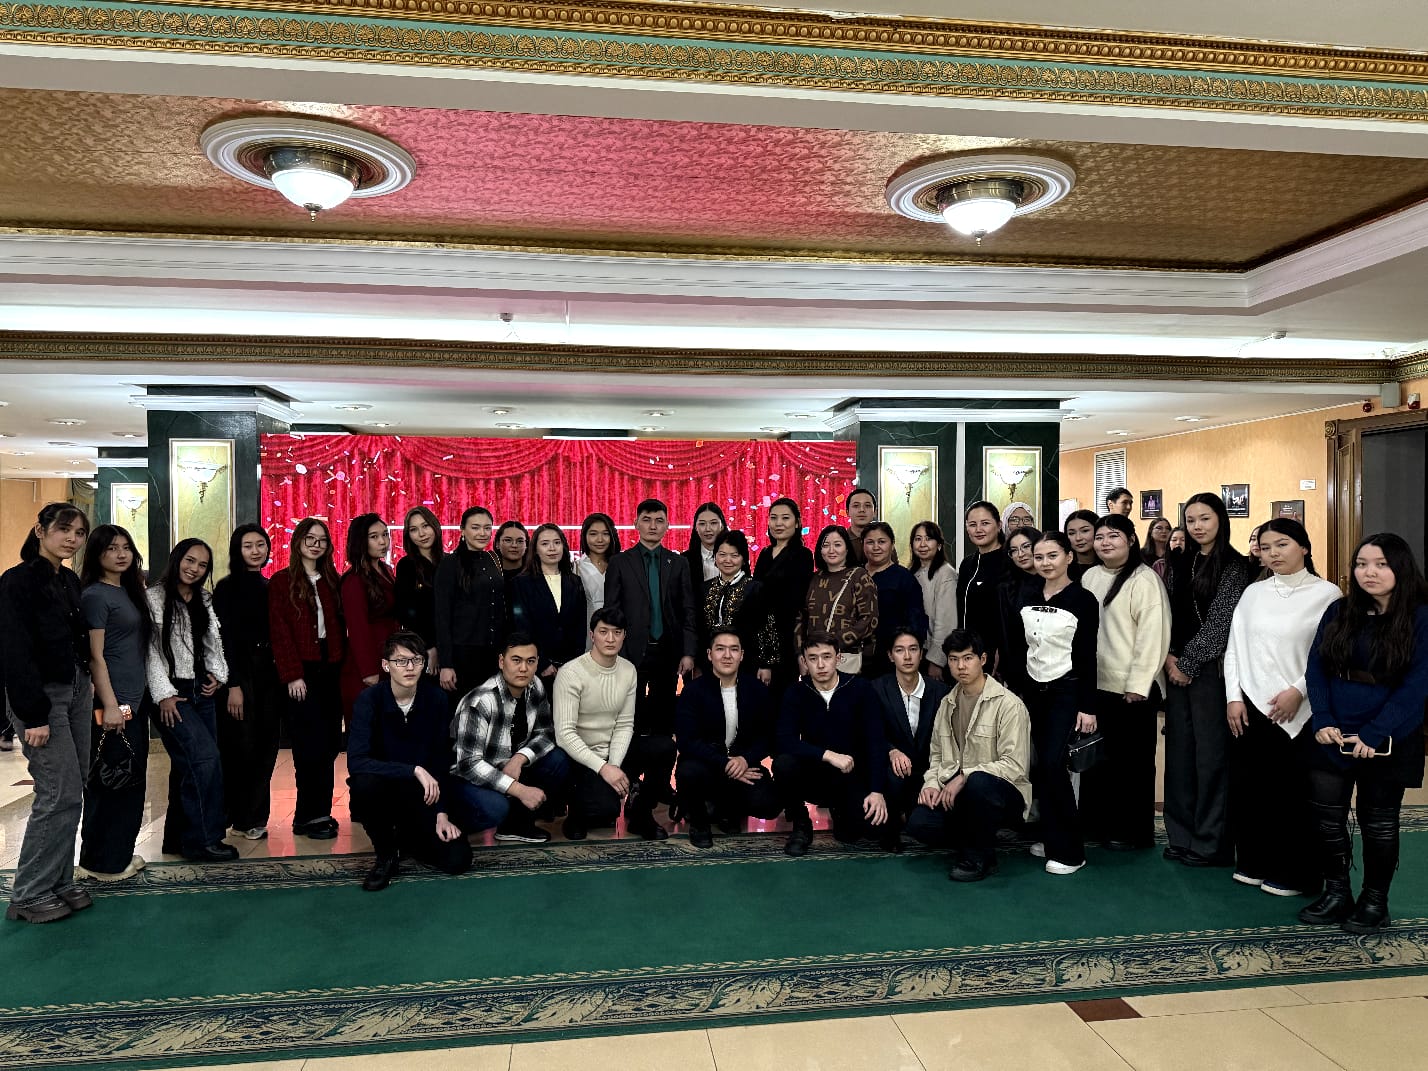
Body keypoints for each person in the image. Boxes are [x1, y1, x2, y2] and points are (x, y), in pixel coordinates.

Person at [1300, 533, 1428, 933]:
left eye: (1381, 564)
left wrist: (1376, 732)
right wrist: (1322, 718)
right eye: (1361, 564)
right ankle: (1337, 893)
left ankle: (1375, 902)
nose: (1368, 572)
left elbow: (1417, 685)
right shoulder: (1340, 610)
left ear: (1401, 568)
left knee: (1379, 824)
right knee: (1326, 820)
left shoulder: (1420, 617)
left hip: (1390, 736)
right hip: (1333, 730)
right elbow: (1316, 667)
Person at [1224, 518, 1342, 896]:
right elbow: (1234, 648)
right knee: (1250, 789)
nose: (1273, 553)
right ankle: (1253, 862)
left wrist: (1298, 691)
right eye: (1266, 547)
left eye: (1282, 545)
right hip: (1250, 704)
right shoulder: (1253, 593)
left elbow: (1329, 655)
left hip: (1299, 708)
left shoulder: (1327, 594)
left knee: (1291, 793)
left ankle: (1294, 873)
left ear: (1304, 547)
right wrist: (1233, 697)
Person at [2, 504, 92, 924]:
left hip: (77, 689)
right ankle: (28, 893)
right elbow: (14, 651)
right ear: (40, 530)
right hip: (43, 697)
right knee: (57, 791)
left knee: (73, 788)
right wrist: (33, 714)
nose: (72, 538)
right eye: (64, 529)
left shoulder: (68, 579)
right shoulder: (17, 580)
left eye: (79, 532)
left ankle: (57, 880)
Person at [1163, 492, 1251, 868]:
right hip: (1174, 666)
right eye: (1191, 520)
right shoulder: (1180, 561)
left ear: (1221, 520)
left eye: (1205, 519)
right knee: (1179, 756)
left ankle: (1210, 842)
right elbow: (1168, 613)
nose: (1197, 527)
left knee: (1211, 758)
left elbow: (1221, 623)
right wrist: (1168, 655)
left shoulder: (1235, 565)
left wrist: (1188, 662)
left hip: (1211, 672)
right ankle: (1180, 835)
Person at [1003, 531, 1099, 876]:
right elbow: (1018, 647)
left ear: (1069, 557)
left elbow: (1087, 655)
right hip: (1033, 691)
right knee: (1040, 766)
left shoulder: (1083, 599)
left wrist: (1087, 706)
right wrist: (1015, 689)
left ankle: (1071, 851)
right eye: (1039, 556)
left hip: (1066, 691)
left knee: (1053, 766)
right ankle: (1051, 836)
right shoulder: (1027, 593)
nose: (1045, 563)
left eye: (1052, 555)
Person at [347, 631, 472, 891]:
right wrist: (413, 770)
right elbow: (357, 762)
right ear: (386, 665)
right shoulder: (369, 700)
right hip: (382, 792)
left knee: (458, 860)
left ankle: (409, 838)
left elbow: (441, 759)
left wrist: (442, 814)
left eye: (416, 660)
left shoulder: (436, 699)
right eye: (401, 661)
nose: (410, 667)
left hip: (423, 795)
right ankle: (386, 855)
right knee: (363, 784)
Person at [904, 629, 1032, 882]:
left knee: (978, 782)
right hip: (960, 795)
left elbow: (1014, 765)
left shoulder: (1009, 704)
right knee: (919, 823)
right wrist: (932, 784)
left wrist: (964, 777)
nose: (960, 666)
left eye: (968, 658)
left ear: (982, 659)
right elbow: (937, 755)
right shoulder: (947, 703)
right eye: (954, 659)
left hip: (1004, 794)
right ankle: (979, 838)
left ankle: (977, 857)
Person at [1078, 515, 1172, 852]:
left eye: (1113, 536)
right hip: (1097, 685)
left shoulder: (1144, 580)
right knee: (1098, 762)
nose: (1105, 543)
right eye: (1100, 537)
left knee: (1132, 765)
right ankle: (1097, 826)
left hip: (1132, 690)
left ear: (1131, 540)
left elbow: (1153, 636)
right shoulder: (1090, 576)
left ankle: (1133, 832)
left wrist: (1138, 684)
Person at [602, 498, 696, 826]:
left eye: (659, 520)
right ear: (636, 524)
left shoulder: (677, 563)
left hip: (667, 652)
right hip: (631, 653)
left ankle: (659, 783)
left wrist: (688, 651)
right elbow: (612, 610)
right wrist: (613, 651)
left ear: (667, 524)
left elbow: (687, 609)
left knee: (663, 719)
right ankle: (633, 782)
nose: (653, 525)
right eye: (647, 519)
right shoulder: (620, 562)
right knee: (632, 719)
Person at [146, 538, 235, 863]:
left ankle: (176, 839)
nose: (195, 568)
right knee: (204, 759)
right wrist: (164, 694)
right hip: (172, 693)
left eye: (202, 565)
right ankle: (204, 841)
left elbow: (213, 641)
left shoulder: (203, 598)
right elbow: (150, 652)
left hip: (201, 690)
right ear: (177, 559)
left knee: (189, 766)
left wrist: (218, 675)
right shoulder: (153, 598)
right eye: (190, 560)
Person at [75, 524, 151, 882]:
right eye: (111, 548)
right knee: (111, 782)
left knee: (128, 781)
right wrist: (108, 704)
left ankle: (116, 854)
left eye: (126, 547)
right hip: (114, 701)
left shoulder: (128, 591)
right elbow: (96, 657)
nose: (121, 554)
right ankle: (100, 862)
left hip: (133, 700)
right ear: (96, 554)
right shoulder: (95, 595)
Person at [449, 632, 573, 844]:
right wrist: (520, 790)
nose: (523, 668)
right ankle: (451, 824)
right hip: (471, 778)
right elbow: (468, 764)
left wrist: (519, 758)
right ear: (501, 661)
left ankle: (515, 825)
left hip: (510, 766)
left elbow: (545, 733)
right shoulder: (480, 701)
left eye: (530, 661)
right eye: (516, 660)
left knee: (558, 760)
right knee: (495, 808)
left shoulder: (535, 686)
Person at [773, 631, 888, 856]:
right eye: (813, 658)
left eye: (827, 656)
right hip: (814, 773)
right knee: (783, 763)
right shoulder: (796, 692)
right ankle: (801, 823)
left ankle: (841, 811)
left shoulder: (861, 688)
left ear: (839, 658)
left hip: (851, 774)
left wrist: (877, 790)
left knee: (864, 833)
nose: (820, 664)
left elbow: (876, 741)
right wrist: (827, 754)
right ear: (804, 661)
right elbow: (784, 740)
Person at [268, 517, 347, 840]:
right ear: (298, 541)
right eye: (310, 538)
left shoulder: (332, 580)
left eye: (322, 540)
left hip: (331, 669)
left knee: (329, 744)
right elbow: (279, 631)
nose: (316, 544)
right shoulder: (281, 581)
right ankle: (307, 816)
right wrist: (292, 675)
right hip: (302, 672)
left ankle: (321, 812)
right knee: (307, 746)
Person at [674, 628, 782, 847]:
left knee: (768, 804)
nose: (727, 655)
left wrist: (745, 760)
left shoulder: (756, 689)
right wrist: (724, 763)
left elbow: (769, 736)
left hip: (743, 764)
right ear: (709, 654)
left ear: (742, 655)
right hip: (706, 765)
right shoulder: (693, 691)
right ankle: (699, 821)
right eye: (720, 649)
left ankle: (726, 809)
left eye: (734, 650)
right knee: (688, 772)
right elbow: (687, 741)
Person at [213, 524, 282, 842]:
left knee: (267, 745)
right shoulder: (227, 588)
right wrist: (233, 685)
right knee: (242, 747)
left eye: (260, 545)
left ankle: (255, 817)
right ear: (236, 550)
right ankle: (239, 817)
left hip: (269, 673)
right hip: (241, 673)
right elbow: (224, 640)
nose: (256, 551)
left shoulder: (270, 585)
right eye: (247, 545)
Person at [551, 607, 645, 839]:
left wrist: (614, 766)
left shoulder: (628, 670)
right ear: (592, 635)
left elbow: (625, 724)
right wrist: (603, 768)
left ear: (624, 636)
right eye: (603, 632)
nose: (610, 639)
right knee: (605, 809)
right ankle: (576, 811)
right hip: (578, 756)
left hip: (611, 752)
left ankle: (640, 810)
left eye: (617, 632)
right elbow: (564, 734)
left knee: (662, 748)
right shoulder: (571, 672)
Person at [870, 628, 950, 851]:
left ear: (921, 654)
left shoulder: (941, 692)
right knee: (892, 772)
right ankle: (891, 828)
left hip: (928, 770)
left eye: (913, 649)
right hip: (892, 770)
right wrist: (891, 750)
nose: (907, 656)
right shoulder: (876, 689)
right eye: (899, 650)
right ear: (890, 655)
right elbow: (870, 733)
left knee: (929, 829)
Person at [433, 506, 506, 705]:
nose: (482, 533)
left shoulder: (493, 558)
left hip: (493, 652)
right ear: (462, 530)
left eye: (487, 528)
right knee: (465, 712)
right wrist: (446, 663)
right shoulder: (450, 563)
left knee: (491, 710)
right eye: (475, 527)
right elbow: (442, 615)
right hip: (463, 654)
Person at [752, 497, 814, 702]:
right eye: (774, 518)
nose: (778, 523)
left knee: (781, 699)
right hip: (758, 637)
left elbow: (794, 601)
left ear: (797, 522)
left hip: (785, 637)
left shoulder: (803, 555)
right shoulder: (764, 554)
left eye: (785, 518)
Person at [340, 513, 399, 723]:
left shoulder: (386, 570)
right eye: (374, 537)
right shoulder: (354, 579)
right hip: (366, 665)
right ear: (360, 541)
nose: (383, 541)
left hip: (389, 657)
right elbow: (357, 628)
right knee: (367, 727)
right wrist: (368, 670)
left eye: (385, 534)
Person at [509, 523, 587, 679]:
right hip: (535, 667)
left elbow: (580, 626)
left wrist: (574, 662)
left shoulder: (574, 581)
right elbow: (521, 627)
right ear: (535, 550)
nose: (552, 548)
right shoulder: (521, 583)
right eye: (545, 544)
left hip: (571, 667)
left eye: (557, 543)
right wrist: (541, 663)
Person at [699, 530, 778, 681]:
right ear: (715, 557)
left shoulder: (755, 588)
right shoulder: (705, 589)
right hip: (710, 664)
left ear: (743, 559)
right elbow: (700, 629)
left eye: (734, 555)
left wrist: (765, 664)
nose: (727, 560)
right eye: (722, 554)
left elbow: (767, 628)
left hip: (747, 664)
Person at [799, 525, 878, 675]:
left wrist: (832, 644)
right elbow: (801, 617)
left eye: (837, 544)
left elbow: (869, 620)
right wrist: (800, 653)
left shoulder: (859, 576)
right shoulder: (814, 579)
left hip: (845, 658)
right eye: (826, 545)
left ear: (847, 549)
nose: (831, 550)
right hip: (814, 659)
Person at [860, 521, 927, 678]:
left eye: (882, 541)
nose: (876, 547)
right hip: (855, 658)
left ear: (892, 544)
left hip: (891, 659)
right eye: (870, 542)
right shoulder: (855, 575)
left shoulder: (904, 578)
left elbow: (915, 622)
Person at [956, 501, 1011, 677]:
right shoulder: (967, 564)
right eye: (972, 525)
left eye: (985, 523)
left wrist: (1002, 650)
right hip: (966, 652)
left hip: (997, 654)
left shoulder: (1010, 562)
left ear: (999, 525)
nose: (978, 529)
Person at [393, 505, 444, 676]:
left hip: (451, 644)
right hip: (422, 647)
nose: (421, 534)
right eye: (414, 529)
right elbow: (407, 612)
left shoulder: (449, 561)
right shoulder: (406, 565)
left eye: (425, 526)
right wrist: (430, 647)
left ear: (434, 526)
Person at [909, 521, 958, 683]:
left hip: (933, 655)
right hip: (915, 651)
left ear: (939, 545)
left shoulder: (946, 573)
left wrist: (936, 660)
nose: (922, 544)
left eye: (928, 539)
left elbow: (946, 622)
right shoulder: (912, 573)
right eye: (918, 539)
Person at [575, 512, 619, 651]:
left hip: (617, 628)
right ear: (584, 536)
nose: (600, 539)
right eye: (593, 534)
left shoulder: (622, 566)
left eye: (605, 534)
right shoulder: (575, 568)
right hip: (585, 630)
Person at [683, 501, 726, 592]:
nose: (708, 529)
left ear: (722, 526)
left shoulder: (737, 557)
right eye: (702, 524)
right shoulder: (684, 560)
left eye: (713, 523)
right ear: (696, 527)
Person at [1063, 508, 1099, 582]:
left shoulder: (1110, 566)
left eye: (1085, 531)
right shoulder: (1062, 568)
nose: (1078, 538)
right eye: (1071, 533)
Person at [844, 487, 877, 566]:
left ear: (875, 512)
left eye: (867, 506)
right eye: (856, 506)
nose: (862, 510)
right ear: (847, 512)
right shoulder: (840, 541)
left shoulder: (883, 541)